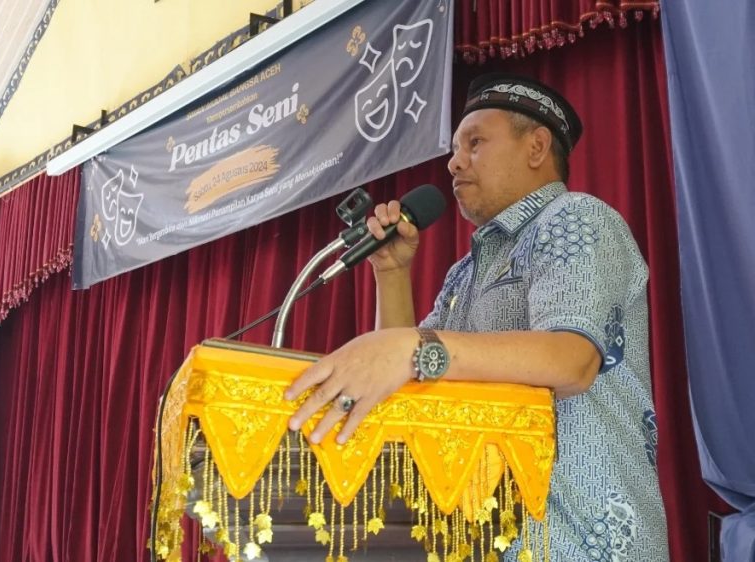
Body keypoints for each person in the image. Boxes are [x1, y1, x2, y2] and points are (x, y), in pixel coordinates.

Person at [284, 73, 669, 560]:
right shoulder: (463, 274)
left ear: (536, 147)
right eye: (453, 149)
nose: (454, 162)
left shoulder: (575, 218)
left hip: (578, 538)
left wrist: (417, 349)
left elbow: (570, 361)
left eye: (475, 143)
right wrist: (392, 273)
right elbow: (410, 386)